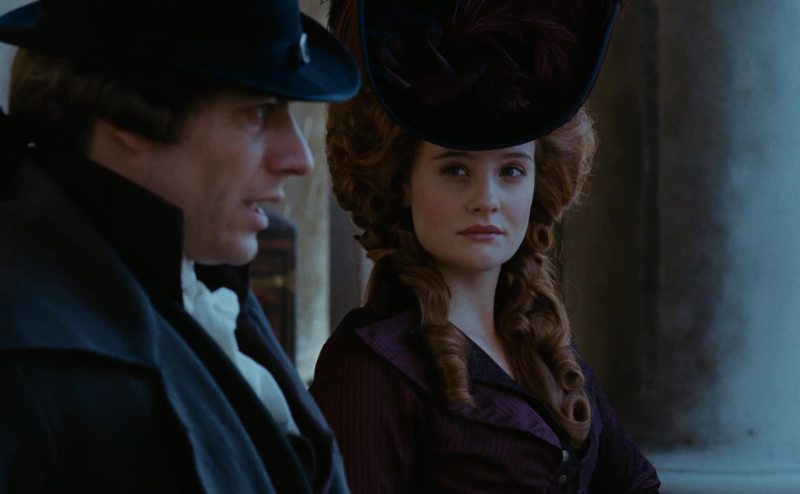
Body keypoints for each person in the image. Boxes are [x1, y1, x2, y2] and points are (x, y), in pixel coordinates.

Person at [0, 0, 359, 492]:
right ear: (129, 113)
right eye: (257, 112)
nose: (299, 158)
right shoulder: (28, 354)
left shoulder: (196, 272)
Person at [310, 0, 661, 492]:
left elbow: (636, 484)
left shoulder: (543, 346)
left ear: (538, 182)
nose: (487, 200)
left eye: (511, 171)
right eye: (455, 170)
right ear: (402, 183)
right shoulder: (370, 366)